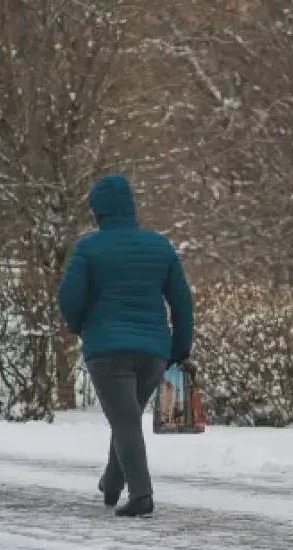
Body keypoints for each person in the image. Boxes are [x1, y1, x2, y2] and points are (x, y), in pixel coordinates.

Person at [59, 173, 193, 517]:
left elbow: (69, 298)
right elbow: (182, 301)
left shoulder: (89, 248)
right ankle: (112, 483)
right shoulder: (159, 246)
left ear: (98, 211)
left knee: (125, 421)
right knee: (126, 418)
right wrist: (180, 348)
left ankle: (142, 495)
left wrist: (82, 327)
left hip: (107, 351)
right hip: (153, 352)